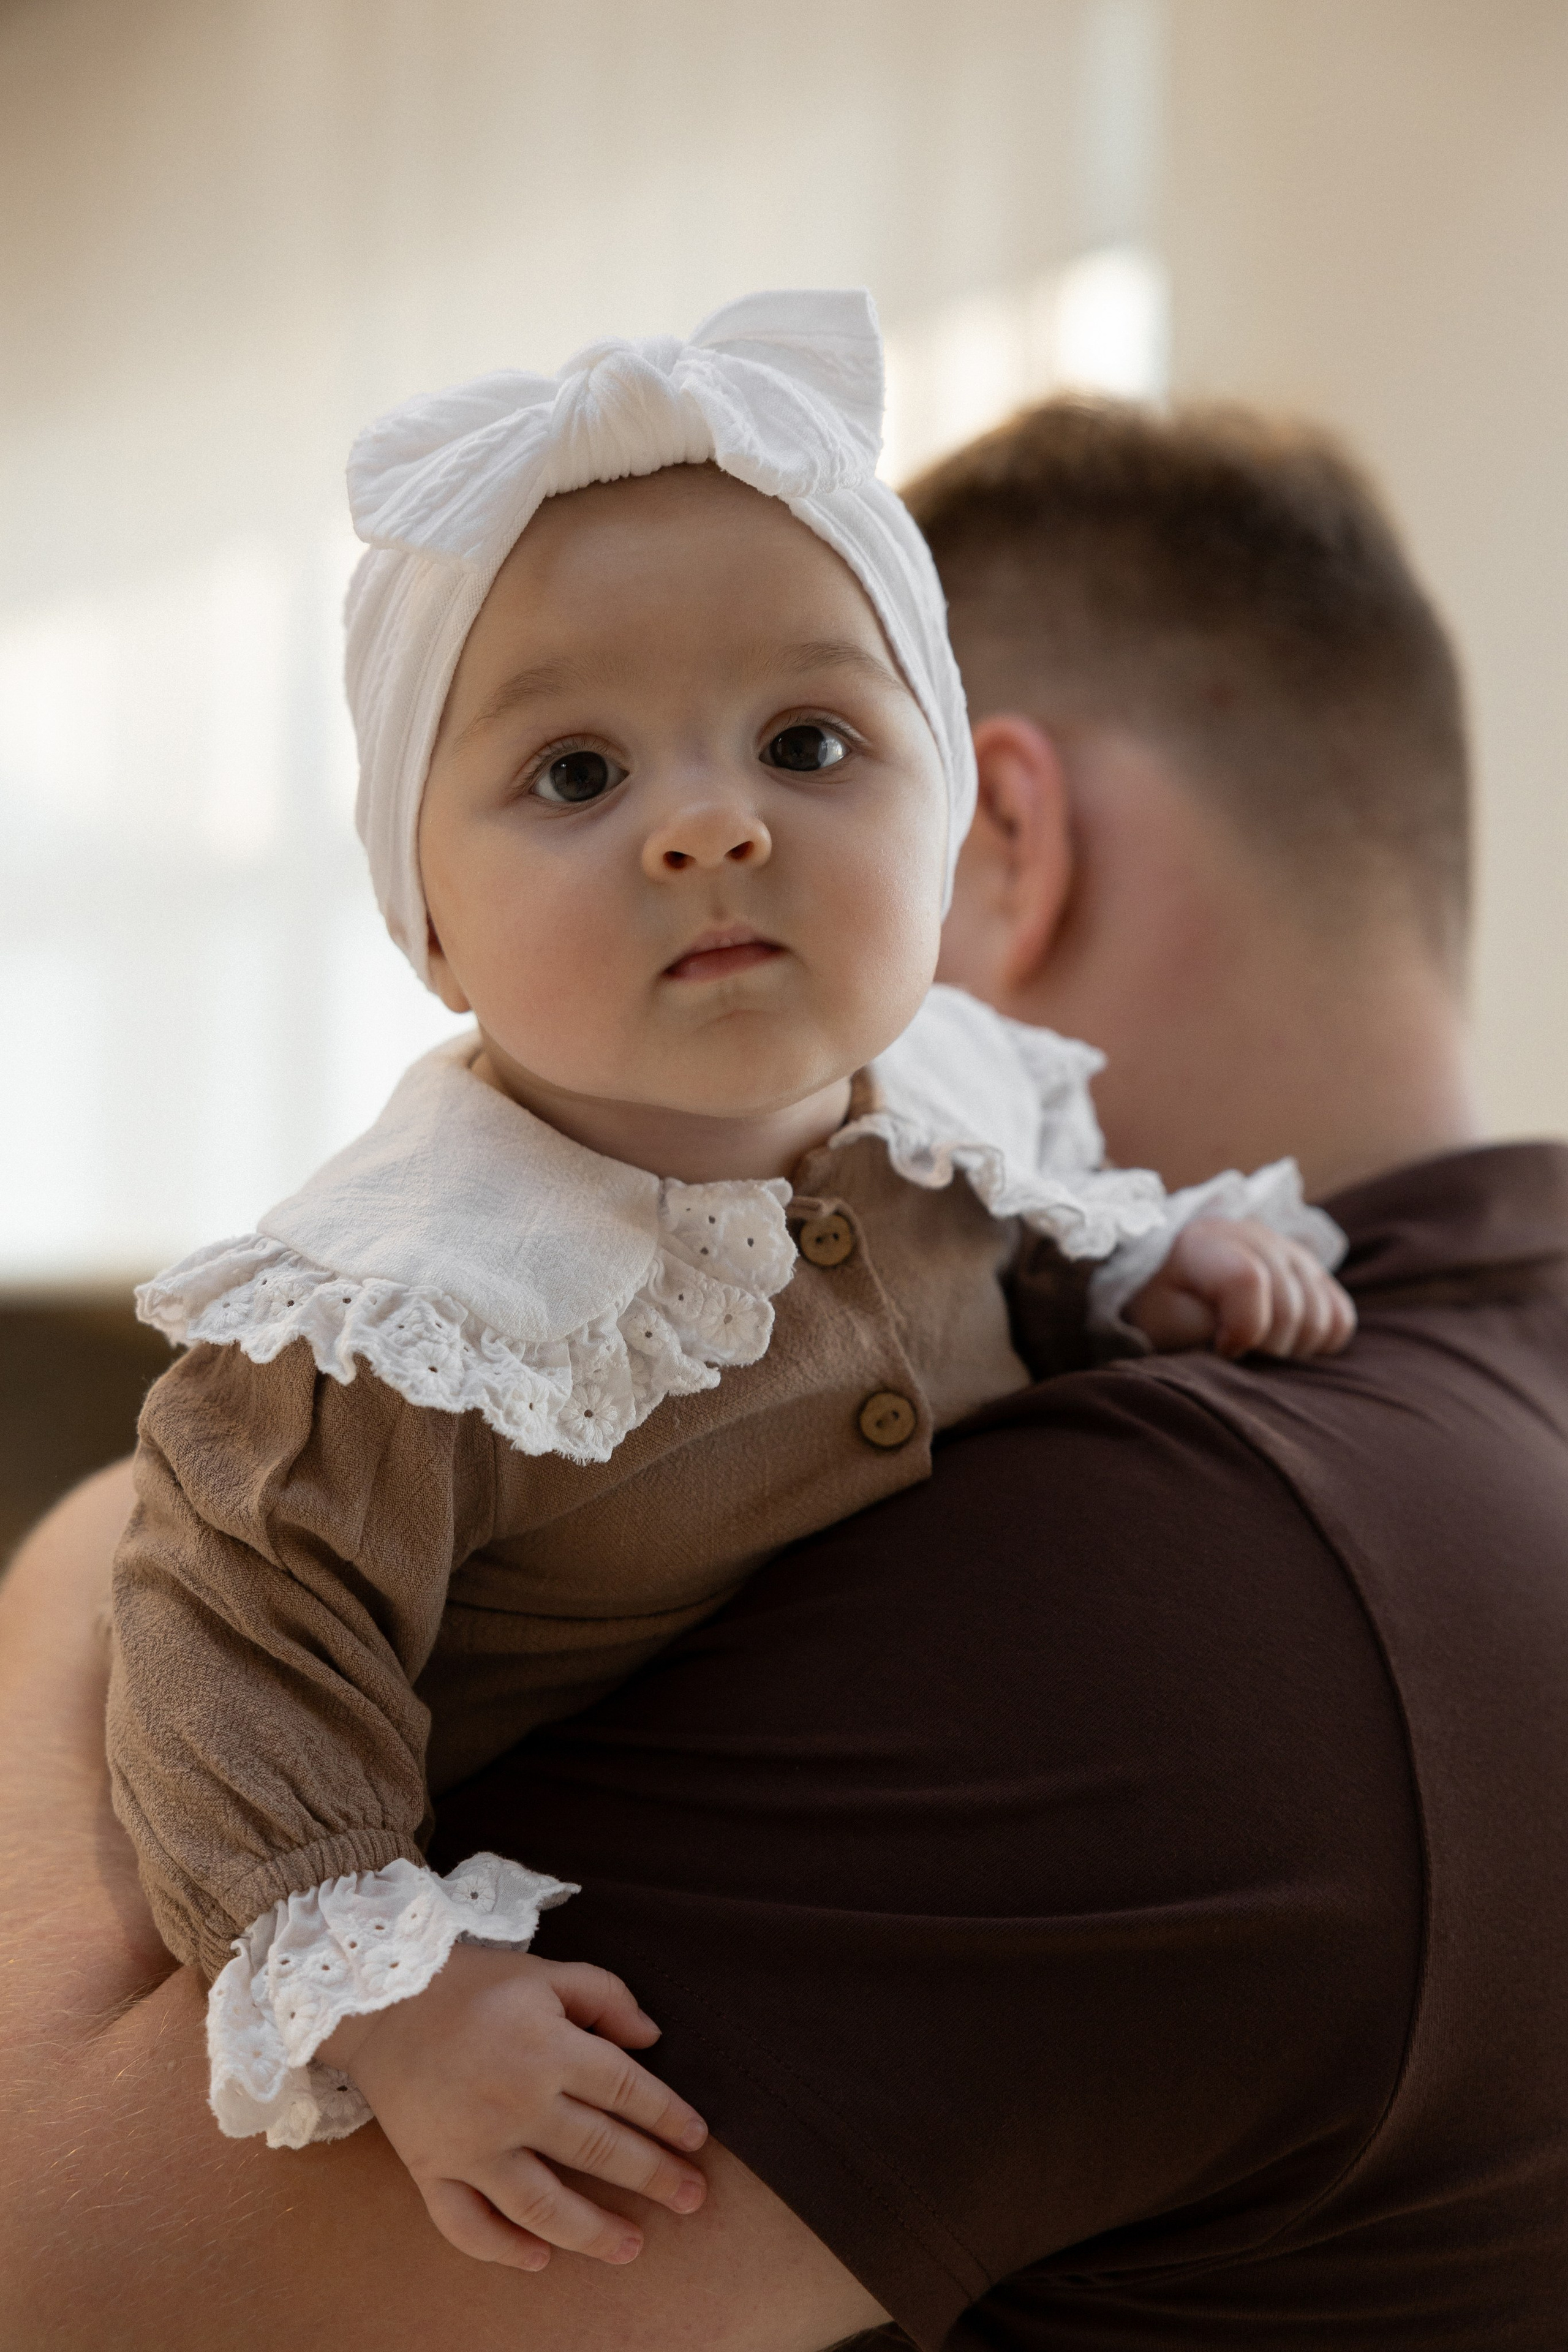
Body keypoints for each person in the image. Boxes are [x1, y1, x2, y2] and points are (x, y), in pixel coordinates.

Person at [5, 396, 1566, 2350]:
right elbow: (247, 1636)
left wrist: (69, 1558)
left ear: (976, 832)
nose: (709, 822)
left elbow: (68, 2281)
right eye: (575, 771)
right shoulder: (404, 1314)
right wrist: (383, 1987)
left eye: (810, 745)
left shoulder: (1188, 1552)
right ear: (425, 920)